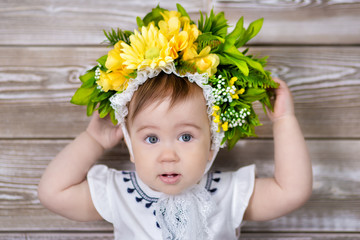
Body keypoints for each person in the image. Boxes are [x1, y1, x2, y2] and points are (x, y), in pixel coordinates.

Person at [38, 5, 312, 239]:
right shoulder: (121, 194)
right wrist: (94, 140)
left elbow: (291, 191)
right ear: (130, 144)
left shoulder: (227, 194)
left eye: (185, 137)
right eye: (151, 139)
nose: (168, 155)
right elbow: (53, 193)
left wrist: (284, 120)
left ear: (212, 141)